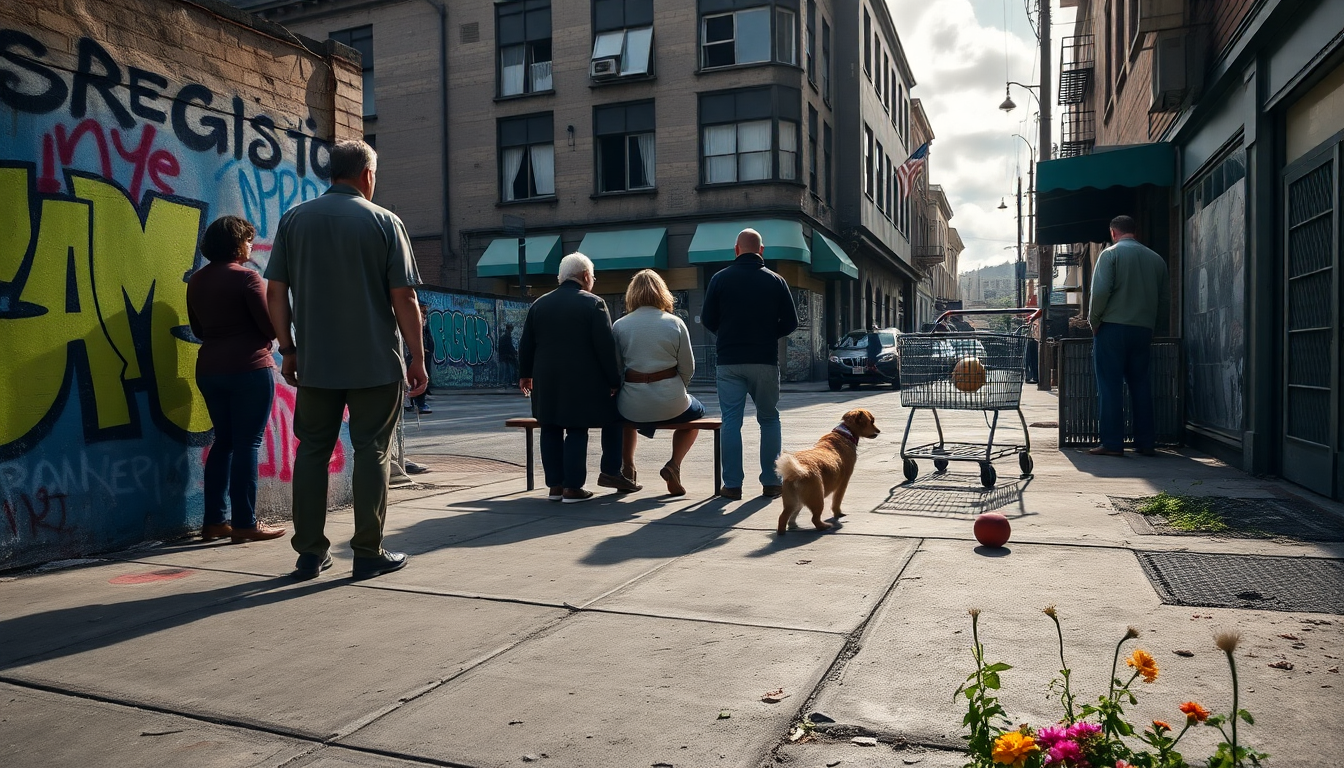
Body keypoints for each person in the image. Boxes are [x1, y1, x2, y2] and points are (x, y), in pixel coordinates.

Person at [264, 140, 427, 580]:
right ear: (367, 175)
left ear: (331, 173)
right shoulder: (385, 222)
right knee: (372, 449)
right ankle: (368, 551)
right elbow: (404, 296)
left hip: (316, 362)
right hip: (375, 362)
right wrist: (417, 356)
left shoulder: (294, 219)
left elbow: (275, 291)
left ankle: (310, 553)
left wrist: (289, 348)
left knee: (312, 451)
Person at [186, 216, 287, 545]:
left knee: (224, 442)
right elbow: (270, 327)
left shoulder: (197, 281)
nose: (250, 246)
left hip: (210, 370)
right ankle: (245, 522)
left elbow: (199, 331)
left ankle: (214, 521)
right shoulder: (247, 279)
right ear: (235, 244)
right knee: (247, 444)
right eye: (246, 240)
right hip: (249, 369)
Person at [518, 253, 640, 503]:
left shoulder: (539, 304)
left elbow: (526, 344)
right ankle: (573, 488)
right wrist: (613, 380)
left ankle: (555, 486)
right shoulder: (593, 304)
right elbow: (605, 347)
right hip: (581, 381)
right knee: (576, 428)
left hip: (545, 380)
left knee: (549, 427)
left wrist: (525, 375)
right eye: (592, 276)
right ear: (585, 276)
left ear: (560, 278)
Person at [701, 228, 799, 500]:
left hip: (729, 361)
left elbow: (708, 319)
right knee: (769, 419)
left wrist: (728, 334)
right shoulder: (776, 281)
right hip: (765, 360)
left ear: (736, 250)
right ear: (762, 251)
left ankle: (732, 485)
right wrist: (767, 335)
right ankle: (771, 482)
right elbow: (791, 322)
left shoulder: (719, 279)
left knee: (731, 421)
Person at [612, 270, 705, 497]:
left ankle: (628, 468)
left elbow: (615, 369)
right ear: (662, 293)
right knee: (696, 416)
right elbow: (688, 367)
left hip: (632, 403)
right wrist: (675, 388)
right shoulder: (675, 323)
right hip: (671, 400)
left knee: (624, 418)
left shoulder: (620, 326)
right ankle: (673, 465)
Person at [1087, 214, 1169, 457]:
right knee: (1141, 385)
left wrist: (1094, 322)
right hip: (1143, 329)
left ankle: (1112, 443)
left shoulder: (1110, 255)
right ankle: (1145, 442)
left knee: (1109, 386)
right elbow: (1165, 300)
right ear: (1136, 231)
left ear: (1113, 233)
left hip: (1112, 327)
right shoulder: (1157, 260)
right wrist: (1156, 327)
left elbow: (1100, 292)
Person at [407, 303, 435, 414]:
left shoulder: (424, 323)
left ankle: (418, 402)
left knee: (422, 377)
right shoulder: (412, 321)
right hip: (415, 354)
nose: (424, 315)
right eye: (422, 311)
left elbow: (426, 336)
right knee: (414, 378)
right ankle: (415, 402)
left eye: (425, 312)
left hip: (424, 354)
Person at [498, 323, 518, 387]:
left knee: (505, 369)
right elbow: (509, 346)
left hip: (503, 355)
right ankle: (509, 382)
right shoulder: (507, 337)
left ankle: (504, 382)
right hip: (507, 356)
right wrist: (514, 352)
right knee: (509, 369)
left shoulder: (503, 337)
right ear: (510, 329)